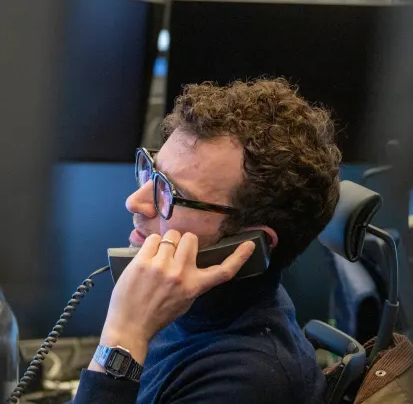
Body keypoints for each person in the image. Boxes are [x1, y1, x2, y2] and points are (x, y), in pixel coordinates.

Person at [74, 78, 342, 404]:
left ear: (249, 244)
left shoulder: (249, 381)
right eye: (152, 171)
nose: (136, 201)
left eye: (172, 194)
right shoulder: (182, 302)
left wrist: (122, 338)